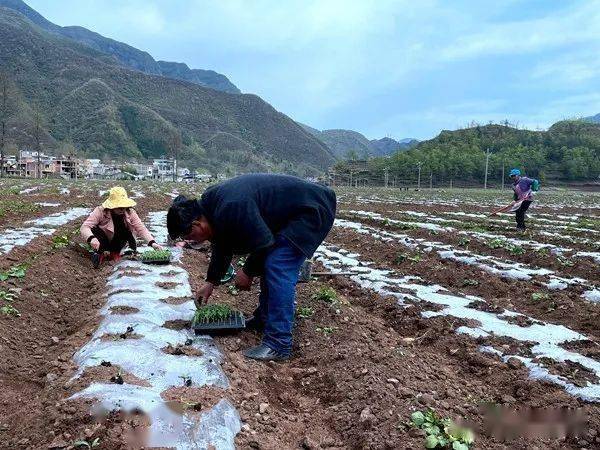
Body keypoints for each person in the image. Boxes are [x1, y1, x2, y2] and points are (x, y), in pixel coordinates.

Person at [167, 173, 337, 361]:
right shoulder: (212, 208)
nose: (191, 241)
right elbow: (223, 244)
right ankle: (263, 319)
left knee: (277, 265)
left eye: (189, 237)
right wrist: (211, 282)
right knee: (271, 262)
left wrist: (247, 271)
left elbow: (265, 243)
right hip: (292, 213)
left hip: (311, 210)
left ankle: (279, 343)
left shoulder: (231, 206)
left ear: (196, 224)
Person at [81, 186, 162, 267]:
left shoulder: (130, 212)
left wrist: (152, 243)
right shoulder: (101, 211)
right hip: (103, 240)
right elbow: (84, 227)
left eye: (124, 206)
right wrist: (92, 238)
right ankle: (100, 253)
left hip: (119, 240)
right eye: (119, 207)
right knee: (94, 230)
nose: (122, 209)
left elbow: (141, 228)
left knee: (125, 230)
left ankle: (115, 253)